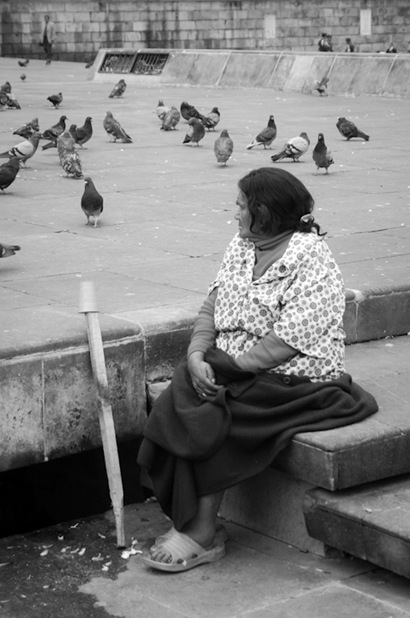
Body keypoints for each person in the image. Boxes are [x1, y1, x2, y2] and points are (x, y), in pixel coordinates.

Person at [137, 167, 378, 573]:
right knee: (183, 391)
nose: (235, 212)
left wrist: (233, 370)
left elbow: (289, 338)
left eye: (241, 205)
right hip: (231, 363)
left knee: (222, 414)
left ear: (263, 213)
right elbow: (212, 305)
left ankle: (202, 534)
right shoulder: (241, 245)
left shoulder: (311, 257)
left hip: (293, 376)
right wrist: (197, 355)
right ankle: (188, 517)